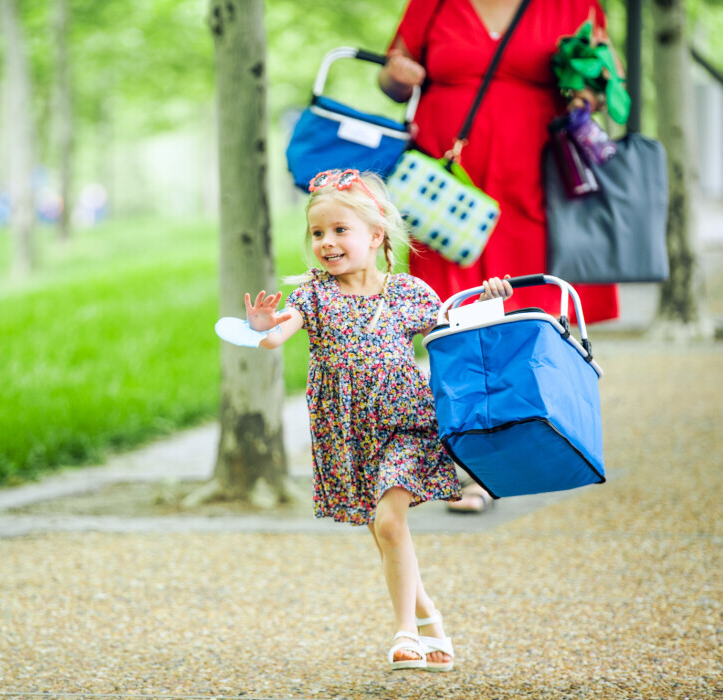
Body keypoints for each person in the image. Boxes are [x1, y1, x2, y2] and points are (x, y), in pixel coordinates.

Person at [237, 169, 513, 672]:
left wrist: (491, 302)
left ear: (375, 234)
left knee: (389, 521)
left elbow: (461, 336)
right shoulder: (313, 296)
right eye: (318, 233)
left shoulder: (410, 293)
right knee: (387, 532)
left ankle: (405, 633)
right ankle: (432, 624)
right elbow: (277, 336)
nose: (327, 242)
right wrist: (260, 327)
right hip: (344, 429)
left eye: (341, 230)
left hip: (406, 423)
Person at [378, 0, 621, 513]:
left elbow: (608, 86)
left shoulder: (575, 6)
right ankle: (467, 462)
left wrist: (590, 88)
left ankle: (528, 447)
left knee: (523, 314)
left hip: (533, 178)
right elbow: (392, 79)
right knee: (453, 318)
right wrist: (398, 77)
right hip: (451, 187)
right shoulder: (434, 5)